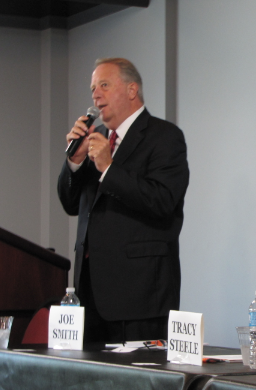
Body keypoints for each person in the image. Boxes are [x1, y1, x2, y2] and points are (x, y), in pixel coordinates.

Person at [58, 57, 189, 343]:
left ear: (132, 90)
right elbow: (70, 204)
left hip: (140, 295)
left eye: (104, 85)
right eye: (93, 88)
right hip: (91, 293)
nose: (95, 94)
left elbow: (162, 201)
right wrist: (75, 163)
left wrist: (109, 168)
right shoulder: (97, 138)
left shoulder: (164, 137)